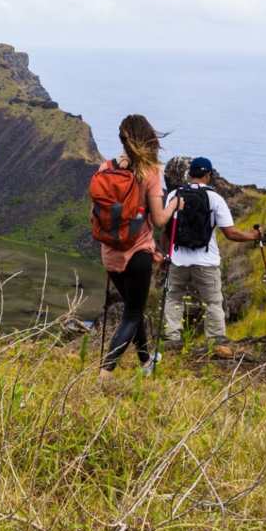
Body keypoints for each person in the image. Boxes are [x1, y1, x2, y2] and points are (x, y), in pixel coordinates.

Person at [97, 114, 180, 380]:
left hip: (110, 252)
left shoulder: (105, 168)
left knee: (135, 307)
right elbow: (158, 219)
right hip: (138, 252)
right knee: (132, 314)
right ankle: (105, 372)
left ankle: (145, 362)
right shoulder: (150, 172)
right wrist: (174, 205)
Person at [161, 157, 262, 356]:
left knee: (173, 298)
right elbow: (230, 233)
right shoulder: (215, 199)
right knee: (213, 301)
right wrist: (253, 236)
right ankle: (216, 341)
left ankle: (172, 338)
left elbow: (167, 229)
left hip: (178, 259)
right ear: (208, 175)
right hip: (206, 261)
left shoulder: (174, 194)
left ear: (190, 174)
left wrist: (166, 256)